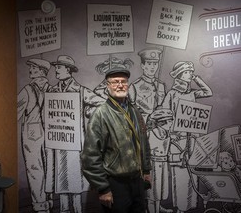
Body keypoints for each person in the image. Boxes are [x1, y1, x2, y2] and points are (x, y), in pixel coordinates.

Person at [81, 64, 152, 213]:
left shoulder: (135, 112)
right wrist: (103, 188)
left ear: (128, 85)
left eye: (123, 81)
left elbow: (144, 144)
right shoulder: (100, 114)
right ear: (108, 86)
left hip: (137, 181)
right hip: (115, 184)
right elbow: (90, 156)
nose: (120, 85)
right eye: (115, 82)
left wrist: (146, 170)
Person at [45, 55, 105, 213]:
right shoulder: (52, 90)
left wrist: (87, 111)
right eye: (56, 67)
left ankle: (78, 210)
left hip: (75, 143)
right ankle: (64, 210)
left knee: (75, 180)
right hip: (59, 142)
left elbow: (101, 104)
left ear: (68, 70)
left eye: (59, 67)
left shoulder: (80, 90)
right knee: (62, 180)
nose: (56, 70)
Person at [161, 61, 213, 213]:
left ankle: (190, 205)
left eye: (191, 72)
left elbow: (208, 91)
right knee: (180, 173)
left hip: (192, 139)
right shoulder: (171, 94)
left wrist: (197, 79)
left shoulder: (191, 93)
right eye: (188, 72)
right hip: (178, 140)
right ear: (180, 75)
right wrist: (172, 131)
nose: (190, 74)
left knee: (192, 173)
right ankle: (181, 207)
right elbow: (165, 115)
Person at [17, 58, 52, 213]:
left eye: (34, 67)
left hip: (32, 132)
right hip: (51, 132)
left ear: (42, 71)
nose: (30, 69)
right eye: (31, 67)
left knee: (35, 169)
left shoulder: (27, 90)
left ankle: (40, 205)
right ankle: (49, 201)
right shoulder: (52, 89)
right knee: (48, 167)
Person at [145, 107, 174, 213]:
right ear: (162, 122)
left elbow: (168, 154)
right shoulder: (149, 134)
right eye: (170, 120)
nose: (171, 123)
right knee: (152, 195)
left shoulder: (168, 136)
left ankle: (157, 209)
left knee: (159, 194)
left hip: (163, 167)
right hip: (152, 167)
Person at [129, 47, 166, 121]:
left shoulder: (161, 85)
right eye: (149, 64)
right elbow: (131, 110)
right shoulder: (134, 86)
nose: (152, 67)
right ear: (143, 65)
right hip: (142, 126)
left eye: (155, 63)